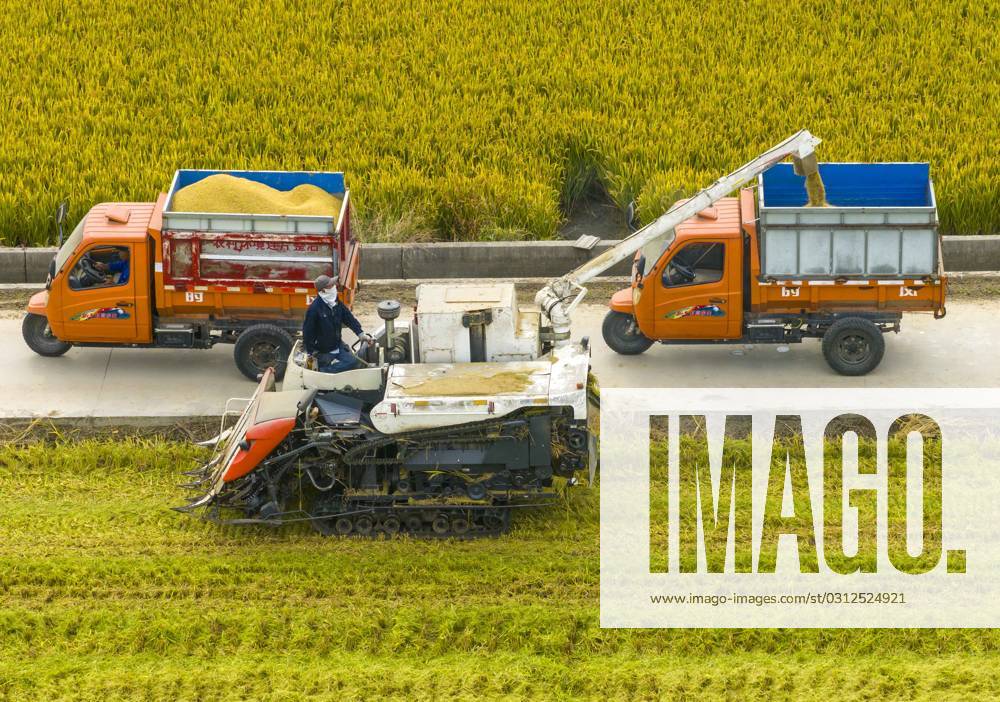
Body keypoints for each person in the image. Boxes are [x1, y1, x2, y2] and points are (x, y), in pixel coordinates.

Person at [302, 274, 372, 373]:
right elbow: (308, 332)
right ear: (323, 290)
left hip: (337, 345)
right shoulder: (314, 309)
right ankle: (323, 372)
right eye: (331, 286)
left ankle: (329, 371)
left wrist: (360, 333)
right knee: (342, 366)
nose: (334, 286)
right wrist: (311, 353)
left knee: (353, 362)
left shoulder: (335, 302)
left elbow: (348, 317)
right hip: (323, 350)